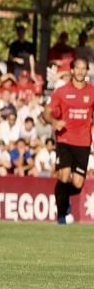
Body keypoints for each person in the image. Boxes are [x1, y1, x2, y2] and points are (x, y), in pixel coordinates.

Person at [43, 58, 94, 225]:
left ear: (87, 71)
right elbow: (46, 112)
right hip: (65, 140)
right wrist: (54, 122)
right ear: (71, 70)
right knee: (64, 176)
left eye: (83, 68)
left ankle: (61, 196)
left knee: (78, 185)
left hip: (84, 142)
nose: (80, 71)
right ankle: (62, 215)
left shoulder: (92, 91)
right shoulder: (61, 91)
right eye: (77, 68)